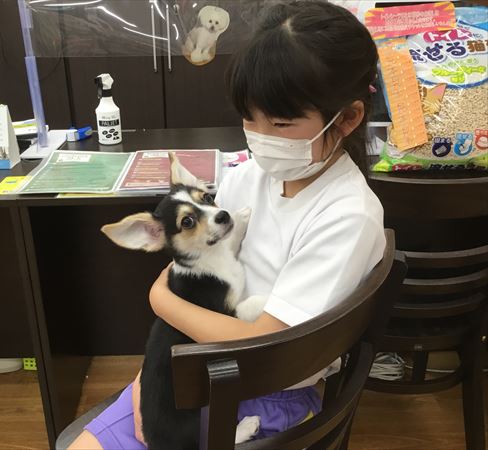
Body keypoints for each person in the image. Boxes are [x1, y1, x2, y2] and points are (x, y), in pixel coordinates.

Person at [69, 1, 385, 448]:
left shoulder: (346, 216)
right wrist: (147, 383)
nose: (260, 137)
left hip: (264, 387)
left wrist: (159, 298)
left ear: (347, 118)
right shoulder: (249, 177)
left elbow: (265, 346)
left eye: (280, 122)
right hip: (188, 364)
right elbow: (192, 275)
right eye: (250, 118)